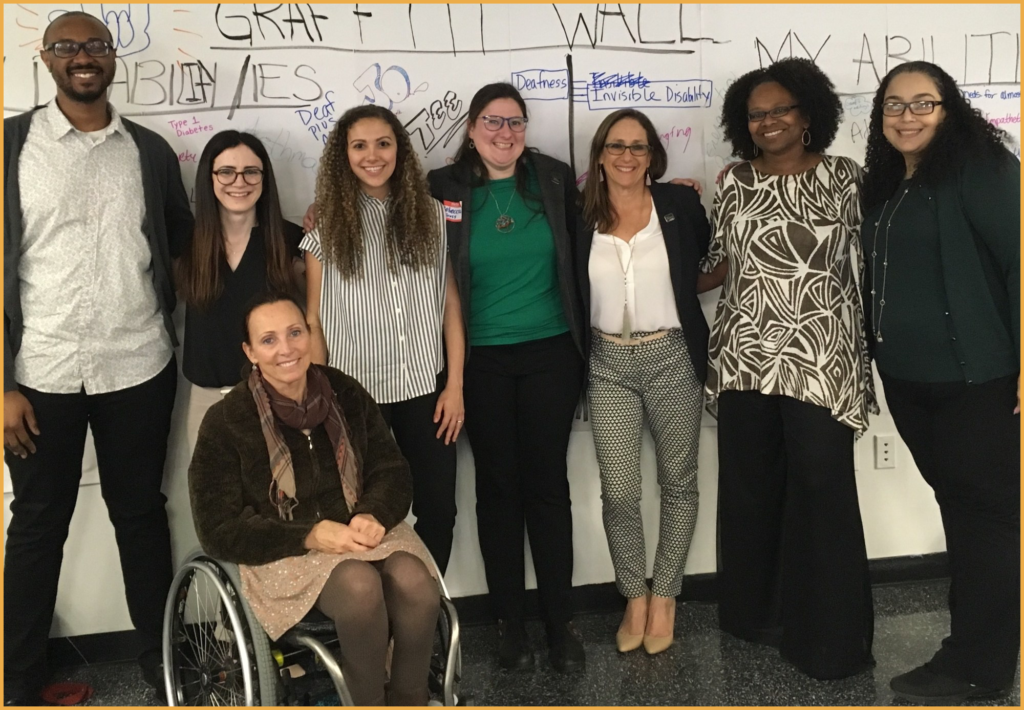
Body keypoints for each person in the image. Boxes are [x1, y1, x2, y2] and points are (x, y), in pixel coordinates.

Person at [2, 10, 193, 704]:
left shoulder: (147, 150)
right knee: (36, 526)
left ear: (113, 58)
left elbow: (183, 245)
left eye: (96, 47)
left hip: (138, 365)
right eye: (68, 47)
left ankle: (159, 659)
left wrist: (283, 239)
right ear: (46, 58)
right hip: (39, 376)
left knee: (140, 513)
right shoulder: (9, 147)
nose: (84, 58)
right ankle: (17, 683)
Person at [701, 57, 876, 680]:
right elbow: (718, 263)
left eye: (780, 110)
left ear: (808, 115)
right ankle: (756, 618)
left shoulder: (847, 179)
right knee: (751, 491)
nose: (767, 121)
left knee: (822, 492)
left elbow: (876, 262)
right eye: (755, 114)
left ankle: (831, 639)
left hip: (821, 361)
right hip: (745, 357)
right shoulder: (734, 184)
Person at [189, 293, 441, 707]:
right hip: (287, 553)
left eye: (294, 333)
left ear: (309, 334)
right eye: (268, 340)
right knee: (359, 587)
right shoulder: (226, 421)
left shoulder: (345, 392)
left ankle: (409, 697)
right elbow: (218, 528)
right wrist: (309, 534)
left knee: (416, 583)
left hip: (362, 533)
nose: (286, 349)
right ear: (250, 352)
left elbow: (391, 470)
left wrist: (373, 513)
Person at [861, 61, 1020, 704]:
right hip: (909, 378)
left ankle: (979, 667)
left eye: (922, 103)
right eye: (893, 105)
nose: (906, 116)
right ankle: (971, 649)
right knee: (964, 512)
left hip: (973, 378)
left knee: (985, 521)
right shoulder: (891, 183)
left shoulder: (980, 168)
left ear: (948, 109)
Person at [426, 83, 587, 672]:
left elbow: (595, 224)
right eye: (492, 122)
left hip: (551, 353)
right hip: (480, 361)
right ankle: (509, 625)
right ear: (471, 129)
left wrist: (674, 187)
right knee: (497, 490)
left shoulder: (552, 177)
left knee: (547, 486)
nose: (504, 133)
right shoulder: (442, 188)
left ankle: (559, 624)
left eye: (515, 122)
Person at [301, 104, 465, 574]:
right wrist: (319, 401)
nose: (372, 155)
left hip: (425, 390)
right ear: (343, 155)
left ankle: (425, 615)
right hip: (355, 397)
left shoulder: (432, 216)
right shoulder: (325, 227)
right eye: (359, 145)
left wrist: (454, 386)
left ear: (400, 150)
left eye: (383, 143)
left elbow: (449, 305)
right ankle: (377, 620)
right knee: (361, 515)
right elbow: (313, 318)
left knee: (439, 509)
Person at [576, 109, 710, 655]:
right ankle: (633, 592)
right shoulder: (577, 214)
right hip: (607, 363)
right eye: (616, 146)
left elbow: (710, 259)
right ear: (600, 155)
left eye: (638, 146)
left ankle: (667, 595)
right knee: (620, 490)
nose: (627, 156)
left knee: (678, 482)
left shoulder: (679, 206)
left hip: (672, 356)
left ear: (653, 154)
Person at [177, 130, 304, 450]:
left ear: (264, 178)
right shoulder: (187, 241)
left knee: (284, 495)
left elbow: (317, 311)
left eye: (251, 171)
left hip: (279, 394)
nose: (239, 181)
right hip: (208, 398)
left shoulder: (291, 240)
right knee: (212, 496)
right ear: (209, 177)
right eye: (226, 171)